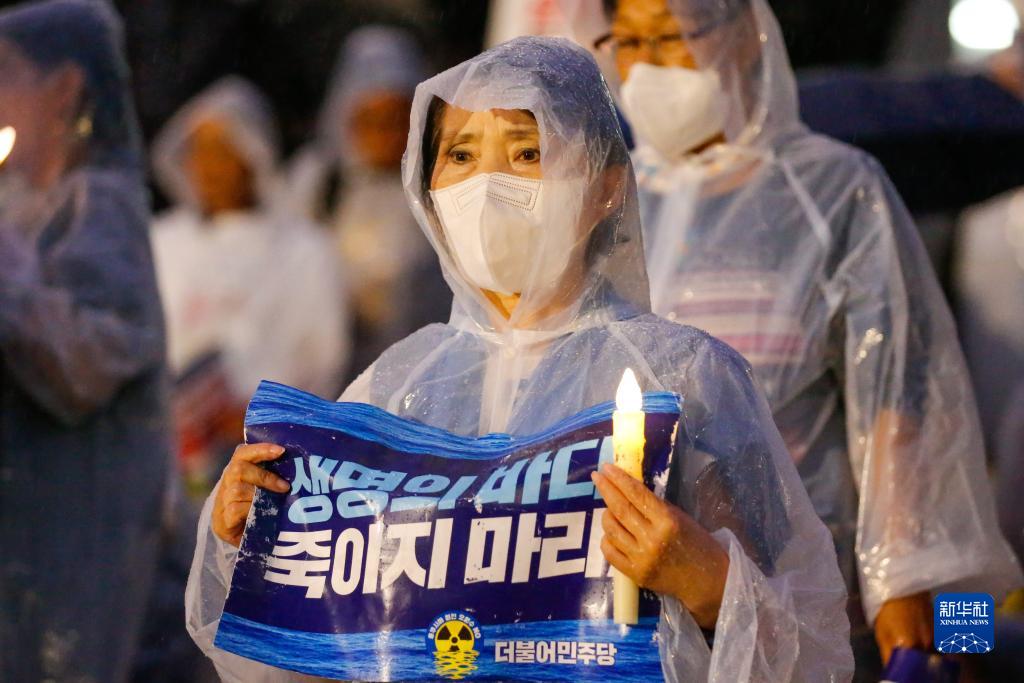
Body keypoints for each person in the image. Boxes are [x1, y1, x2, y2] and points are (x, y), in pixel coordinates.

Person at [186, 36, 854, 682]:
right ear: (428, 187)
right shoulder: (390, 390)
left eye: (527, 152)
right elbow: (294, 661)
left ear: (604, 186)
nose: (487, 183)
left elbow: (812, 649)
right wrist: (249, 544)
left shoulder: (682, 378)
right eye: (461, 154)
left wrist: (706, 580)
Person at [562, 0, 1023, 675]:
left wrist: (909, 579)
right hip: (640, 604)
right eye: (628, 42)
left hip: (808, 605)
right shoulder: (609, 203)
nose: (649, 65)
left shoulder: (833, 189)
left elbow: (899, 387)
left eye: (672, 36)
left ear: (746, 36)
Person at [0, 1, 172, 680]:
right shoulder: (22, 208)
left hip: (72, 549)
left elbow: (86, 364)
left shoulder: (99, 203)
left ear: (65, 86)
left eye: (6, 72)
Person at [150, 76, 350, 492]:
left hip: (270, 458)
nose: (209, 165)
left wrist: (258, 417)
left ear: (254, 155)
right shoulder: (160, 242)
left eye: (224, 149)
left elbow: (323, 357)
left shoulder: (303, 249)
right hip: (163, 456)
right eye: (200, 150)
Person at [288, 26, 449, 379]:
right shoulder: (319, 182)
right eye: (370, 119)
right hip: (330, 376)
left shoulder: (440, 182)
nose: (383, 133)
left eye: (395, 118)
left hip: (423, 372)